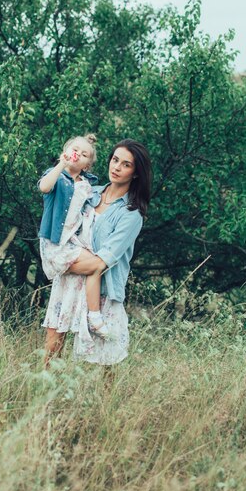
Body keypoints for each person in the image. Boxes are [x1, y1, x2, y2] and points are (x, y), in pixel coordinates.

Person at [43, 138, 152, 366]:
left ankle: (106, 402)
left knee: (105, 361)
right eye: (115, 160)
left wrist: (57, 263)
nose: (117, 168)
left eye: (126, 165)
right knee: (52, 348)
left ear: (136, 173)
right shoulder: (89, 192)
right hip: (69, 281)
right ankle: (45, 398)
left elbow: (100, 263)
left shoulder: (131, 214)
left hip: (102, 288)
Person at [38, 134, 110, 340]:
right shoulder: (57, 177)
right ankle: (94, 317)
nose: (78, 154)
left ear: (87, 166)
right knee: (97, 265)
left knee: (97, 265)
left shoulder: (88, 187)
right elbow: (44, 187)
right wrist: (62, 163)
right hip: (55, 246)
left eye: (84, 154)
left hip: (72, 243)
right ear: (66, 151)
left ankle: (82, 317)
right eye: (75, 149)